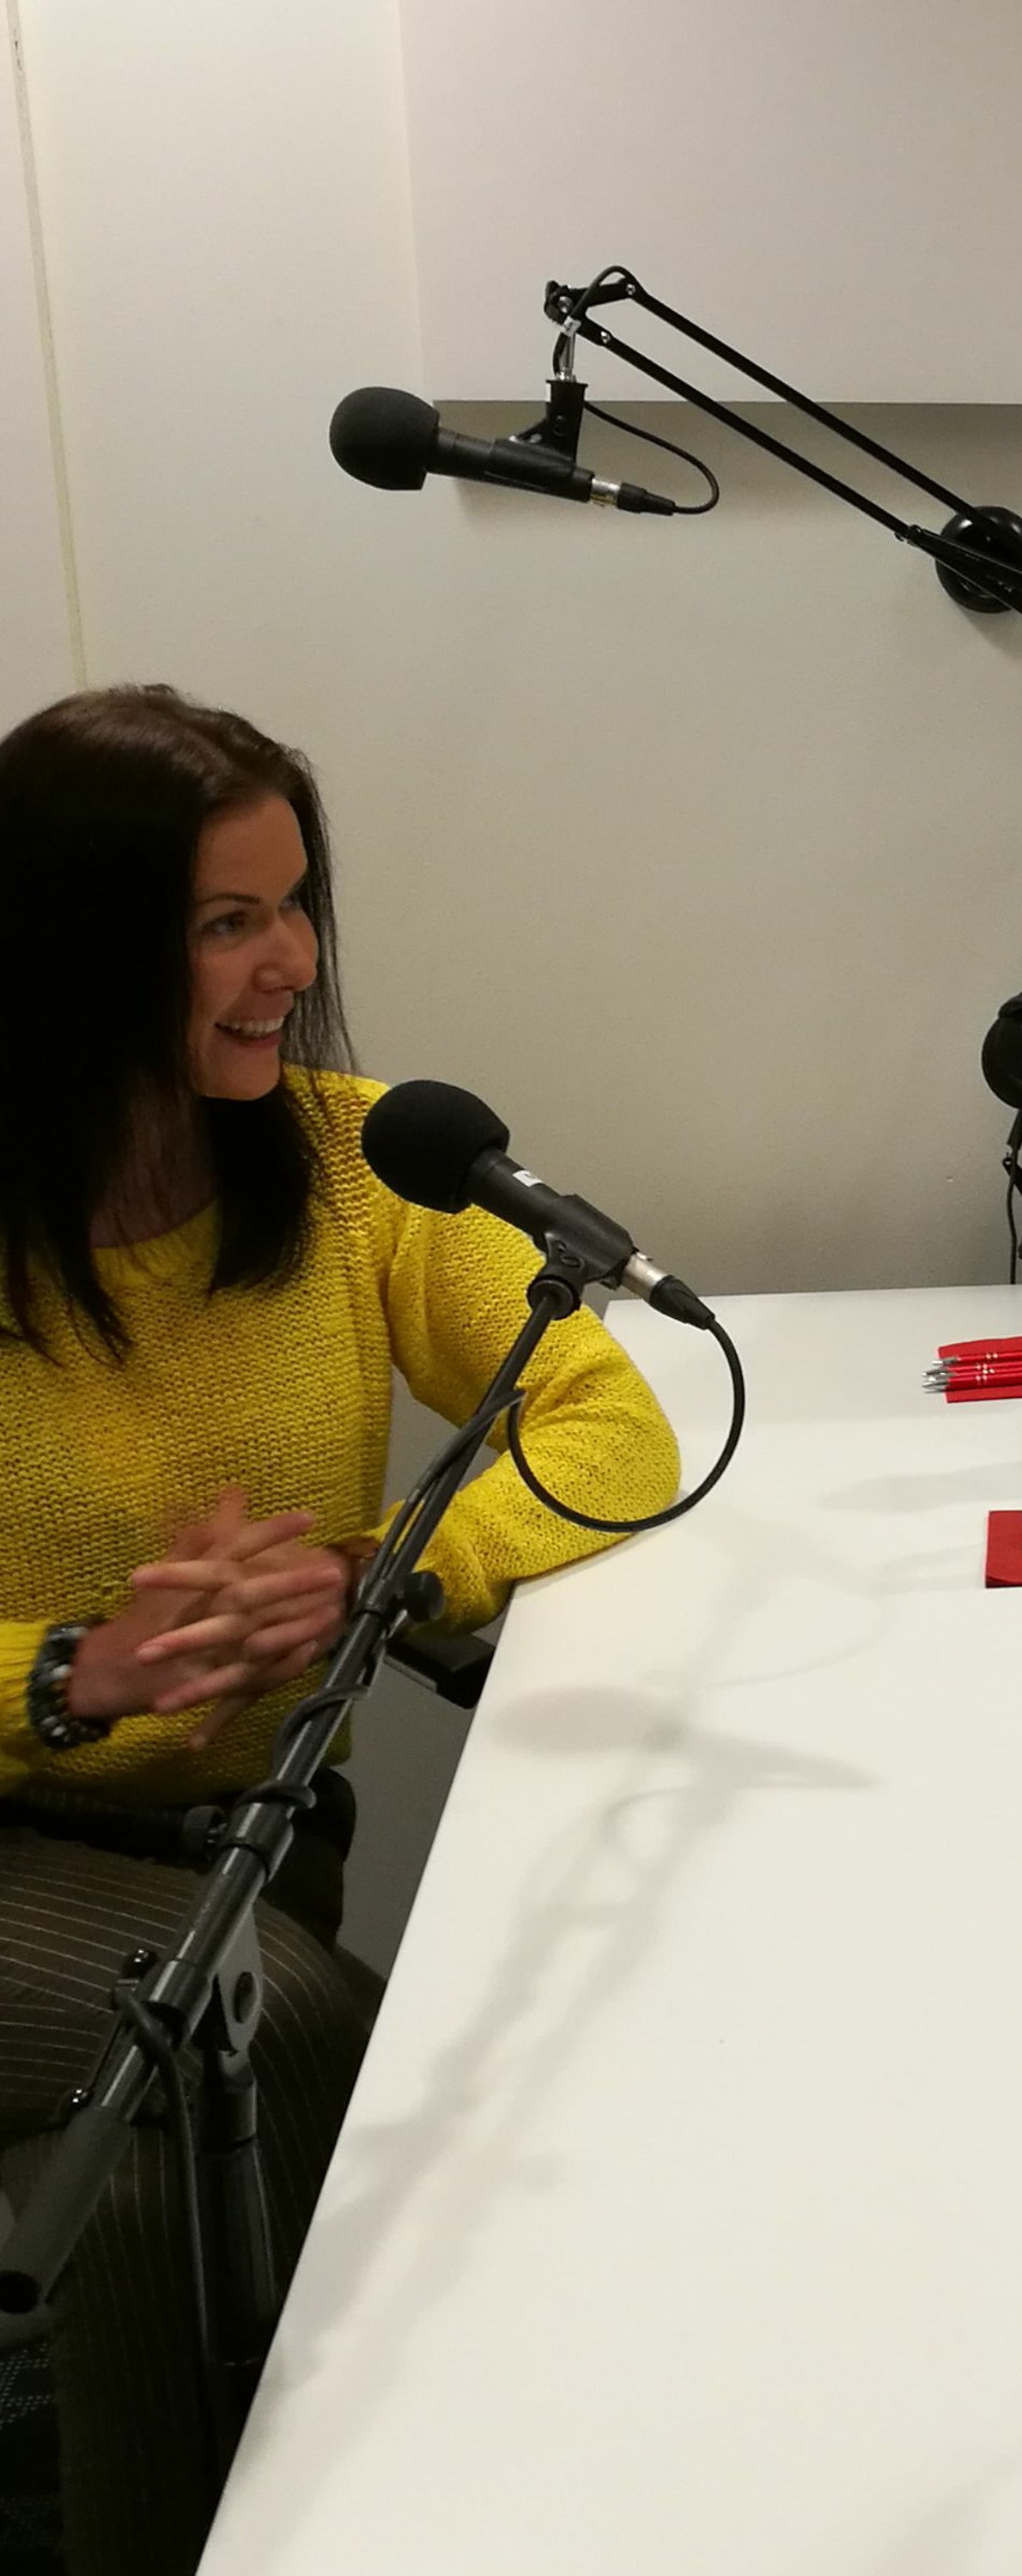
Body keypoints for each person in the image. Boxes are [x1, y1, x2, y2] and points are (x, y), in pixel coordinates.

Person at [0, 685, 682, 2573]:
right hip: (27, 1848)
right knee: (276, 2044)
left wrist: (389, 1569)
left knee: (201, 2133)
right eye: (226, 922)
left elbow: (610, 1425)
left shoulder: (358, 1163)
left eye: (297, 903)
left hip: (235, 1862)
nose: (291, 964)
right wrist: (73, 1671)